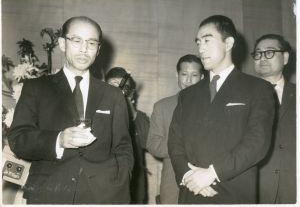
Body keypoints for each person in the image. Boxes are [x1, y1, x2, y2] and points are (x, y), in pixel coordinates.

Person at [7, 16, 134, 204]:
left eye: (91, 43)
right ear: (62, 44)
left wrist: (117, 185)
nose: (84, 49)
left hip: (103, 197)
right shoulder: (36, 88)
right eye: (77, 41)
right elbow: (18, 139)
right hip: (50, 194)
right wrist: (58, 140)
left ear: (98, 50)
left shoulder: (113, 95)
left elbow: (124, 149)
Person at [168, 15, 276, 204]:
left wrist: (212, 173)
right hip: (190, 193)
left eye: (207, 41)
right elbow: (174, 142)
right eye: (198, 42)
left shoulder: (258, 89)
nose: (201, 48)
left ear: (228, 43)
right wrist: (187, 175)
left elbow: (257, 143)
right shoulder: (187, 95)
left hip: (233, 193)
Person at [146, 54, 204, 204]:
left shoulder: (213, 107)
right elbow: (153, 144)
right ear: (177, 75)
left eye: (194, 75)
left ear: (202, 77)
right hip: (172, 184)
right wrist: (182, 145)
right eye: (184, 74)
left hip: (206, 180)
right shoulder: (162, 107)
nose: (189, 80)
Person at [252, 34, 296, 204]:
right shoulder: (241, 96)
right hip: (256, 188)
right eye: (258, 54)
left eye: (269, 52)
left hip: (293, 187)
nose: (262, 58)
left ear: (285, 58)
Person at [106, 67, 149, 204]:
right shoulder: (96, 116)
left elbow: (149, 142)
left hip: (133, 189)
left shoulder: (139, 118)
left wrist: (130, 110)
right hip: (103, 189)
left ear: (131, 94)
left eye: (123, 90)